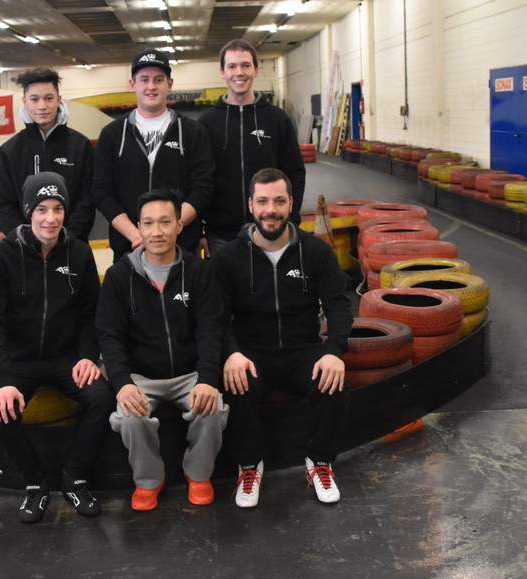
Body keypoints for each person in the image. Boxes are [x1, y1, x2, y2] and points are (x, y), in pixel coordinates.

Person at [212, 168, 353, 509]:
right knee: (235, 383)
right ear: (251, 205)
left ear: (291, 203)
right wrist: (230, 352)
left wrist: (334, 351)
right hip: (252, 353)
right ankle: (249, 466)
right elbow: (215, 316)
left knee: (333, 383)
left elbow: (339, 305)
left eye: (278, 201)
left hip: (303, 350)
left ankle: (319, 462)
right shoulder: (229, 258)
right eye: (262, 201)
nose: (270, 210)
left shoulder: (316, 252)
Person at [0, 171, 113, 523]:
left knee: (102, 399)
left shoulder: (80, 253)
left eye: (57, 209)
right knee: (0, 414)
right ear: (28, 211)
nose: (50, 218)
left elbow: (91, 315)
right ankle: (36, 483)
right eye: (41, 209)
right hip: (19, 362)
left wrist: (88, 357)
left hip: (66, 359)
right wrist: (3, 378)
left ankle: (75, 477)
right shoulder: (1, 256)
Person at [97, 188, 228, 511]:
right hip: (141, 376)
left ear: (179, 226)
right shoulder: (118, 276)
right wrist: (122, 383)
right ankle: (149, 480)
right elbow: (109, 336)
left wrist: (207, 378)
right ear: (138, 227)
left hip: (190, 373)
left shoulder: (199, 272)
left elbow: (211, 329)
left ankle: (198, 473)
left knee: (213, 409)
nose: (157, 231)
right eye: (148, 223)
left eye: (165, 222)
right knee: (129, 418)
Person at [93, 48, 215, 261]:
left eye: (158, 79)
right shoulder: (112, 134)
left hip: (181, 249)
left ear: (169, 84)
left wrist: (168, 231)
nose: (151, 86)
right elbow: (102, 192)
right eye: (144, 80)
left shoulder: (192, 132)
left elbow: (203, 188)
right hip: (129, 248)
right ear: (133, 84)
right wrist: (138, 235)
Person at [199, 39, 308, 256]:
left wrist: (292, 219)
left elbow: (295, 173)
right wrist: (198, 231)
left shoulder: (277, 119)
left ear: (256, 70)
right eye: (232, 66)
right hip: (220, 236)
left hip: (271, 231)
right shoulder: (206, 123)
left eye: (246, 65)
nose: (239, 72)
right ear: (222, 72)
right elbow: (198, 179)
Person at [0, 67, 96, 241]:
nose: (42, 106)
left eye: (48, 98)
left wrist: (68, 238)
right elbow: (3, 204)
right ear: (25, 101)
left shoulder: (80, 145)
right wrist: (27, 240)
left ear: (59, 100)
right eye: (34, 99)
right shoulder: (9, 151)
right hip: (24, 247)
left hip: (72, 244)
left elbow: (88, 199)